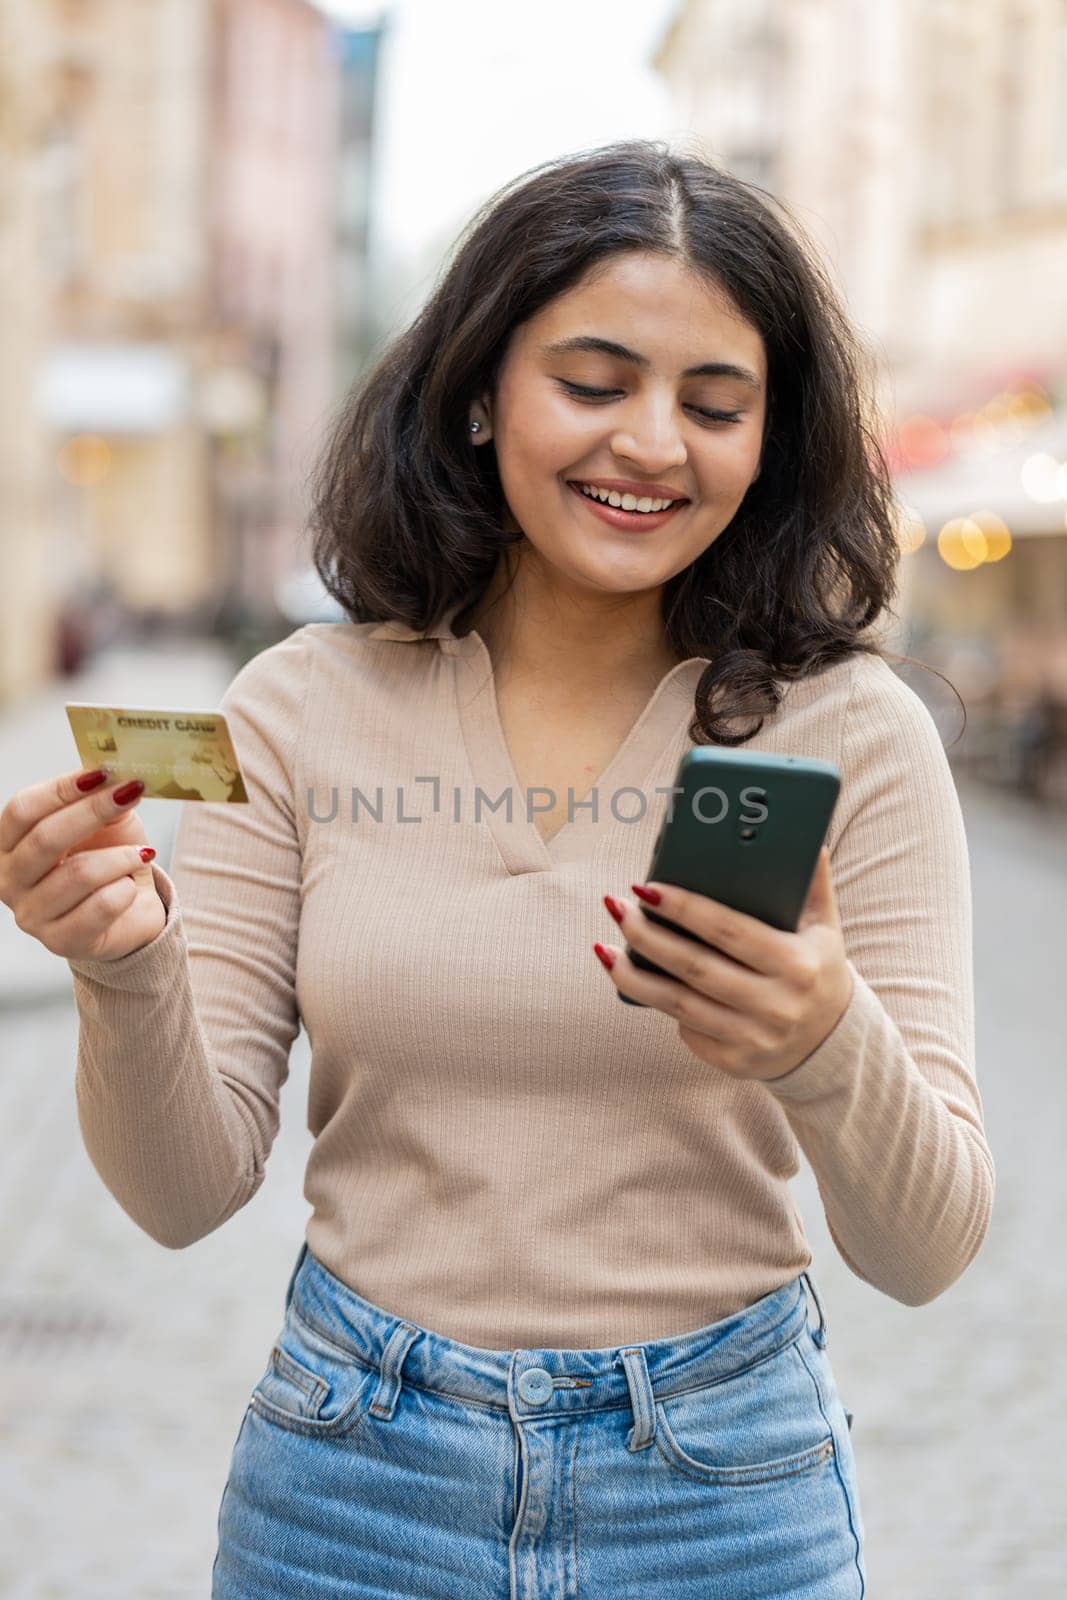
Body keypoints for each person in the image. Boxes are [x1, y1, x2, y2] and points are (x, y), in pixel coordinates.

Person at [0, 140, 994, 1598]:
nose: (652, 442)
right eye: (592, 382)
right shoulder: (296, 708)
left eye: (714, 404)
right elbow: (181, 1190)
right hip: (349, 1486)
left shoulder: (853, 731)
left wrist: (823, 1041)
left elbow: (927, 1249)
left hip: (724, 1500)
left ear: (769, 442)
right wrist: (122, 961)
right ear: (478, 390)